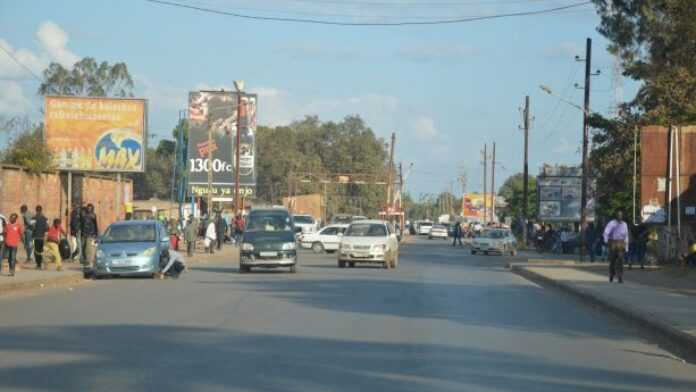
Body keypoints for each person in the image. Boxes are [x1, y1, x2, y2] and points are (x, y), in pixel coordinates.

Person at [603, 210, 629, 283]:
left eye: (621, 215)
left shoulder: (624, 224)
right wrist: (606, 241)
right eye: (618, 215)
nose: (620, 216)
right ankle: (612, 274)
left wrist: (626, 247)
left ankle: (620, 277)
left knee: (620, 260)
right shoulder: (612, 223)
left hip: (621, 243)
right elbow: (606, 232)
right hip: (613, 243)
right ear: (616, 216)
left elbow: (626, 236)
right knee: (613, 260)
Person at [32, 205, 48, 270]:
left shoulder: (34, 218)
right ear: (41, 210)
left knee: (36, 251)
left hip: (36, 237)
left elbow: (32, 227)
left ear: (36, 210)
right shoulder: (45, 218)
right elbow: (47, 228)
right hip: (43, 237)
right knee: (42, 251)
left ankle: (38, 265)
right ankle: (43, 265)